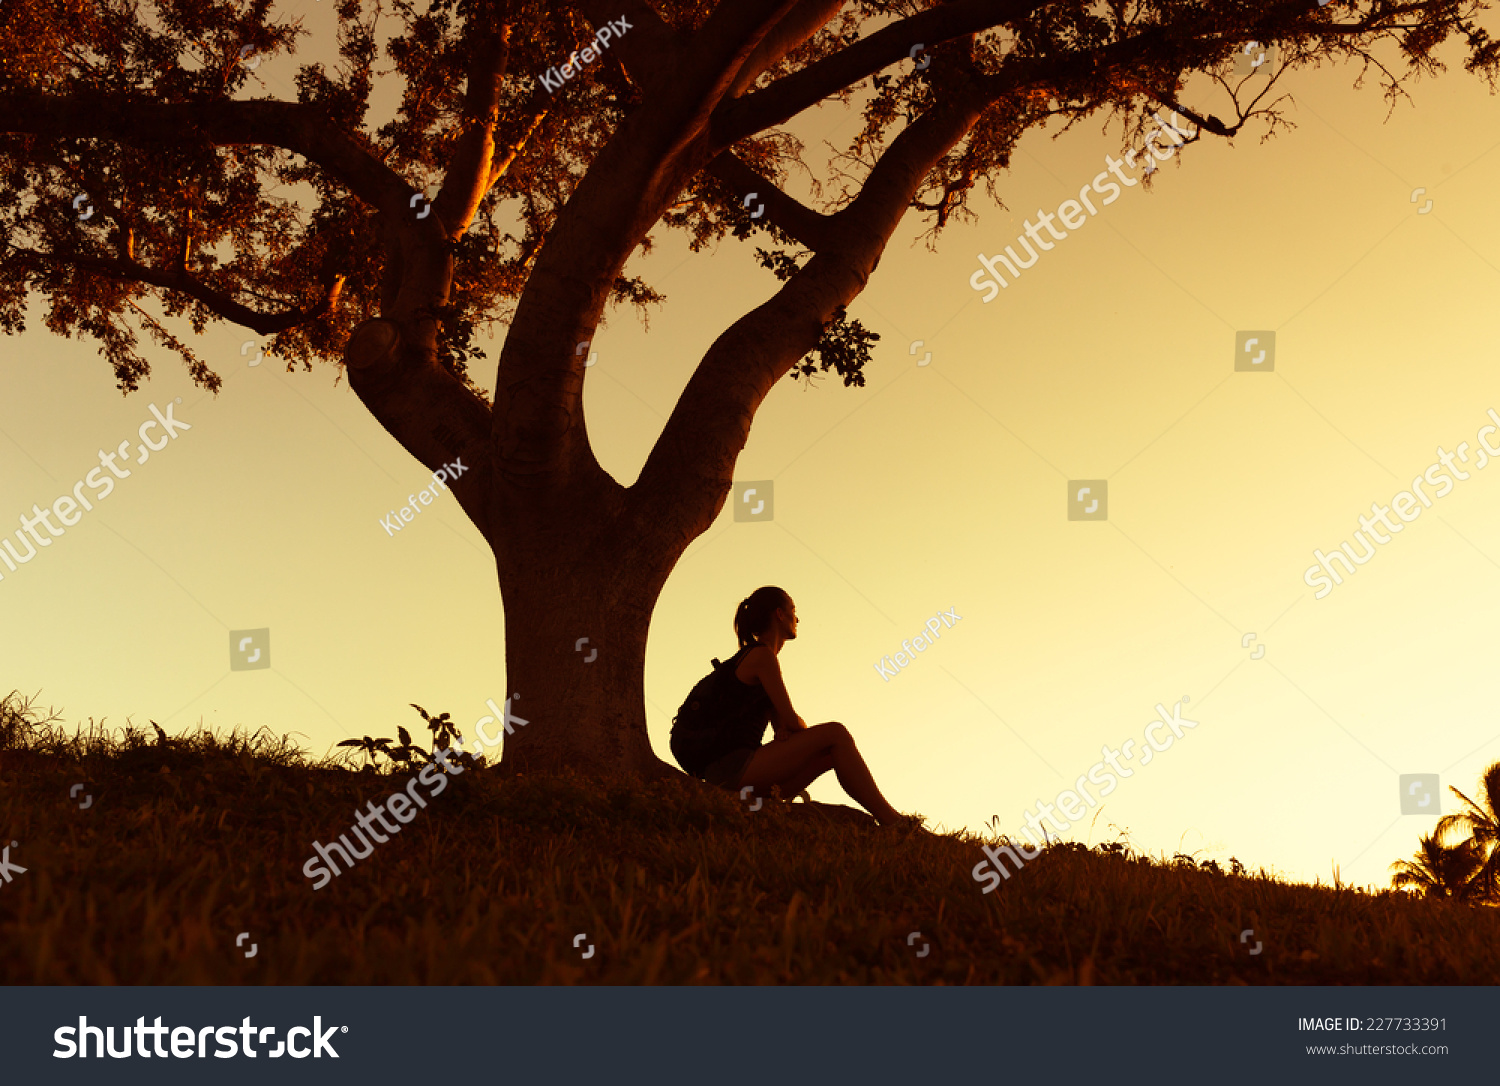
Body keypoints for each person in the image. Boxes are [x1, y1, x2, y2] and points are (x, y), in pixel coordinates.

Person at [670, 586, 919, 829]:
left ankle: (888, 821)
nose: (797, 618)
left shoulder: (760, 659)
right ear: (779, 614)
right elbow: (790, 722)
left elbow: (783, 728)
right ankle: (894, 821)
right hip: (732, 770)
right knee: (836, 733)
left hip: (740, 773)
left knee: (832, 753)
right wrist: (796, 727)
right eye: (792, 609)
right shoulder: (761, 657)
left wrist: (788, 732)